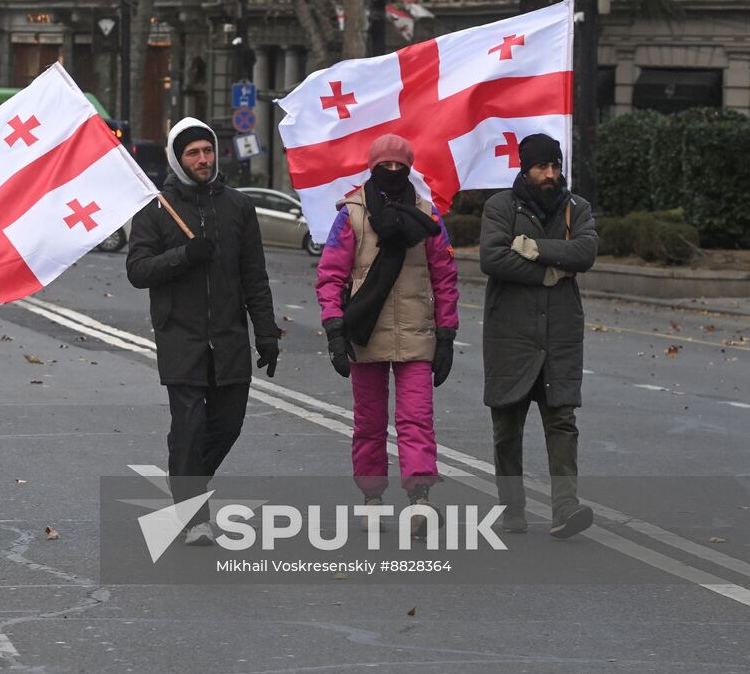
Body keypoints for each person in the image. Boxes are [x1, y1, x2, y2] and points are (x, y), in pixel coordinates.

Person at [126, 117, 280, 547]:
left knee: (227, 424)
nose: (203, 159)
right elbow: (137, 270)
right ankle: (194, 511)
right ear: (178, 158)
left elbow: (255, 276)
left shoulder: (238, 207)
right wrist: (185, 255)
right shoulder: (156, 208)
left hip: (229, 337)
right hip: (181, 336)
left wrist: (265, 333)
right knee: (190, 425)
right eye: (193, 153)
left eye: (208, 151)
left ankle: (185, 482)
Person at [315, 134, 459, 535]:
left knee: (417, 420)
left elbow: (445, 277)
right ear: (373, 166)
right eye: (386, 165)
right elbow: (330, 276)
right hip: (365, 332)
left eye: (401, 166)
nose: (393, 172)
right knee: (369, 422)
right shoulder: (352, 214)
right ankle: (372, 498)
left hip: (416, 335)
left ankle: (419, 500)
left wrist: (446, 333)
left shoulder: (428, 216)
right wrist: (333, 327)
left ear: (409, 168)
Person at [480, 132, 598, 539]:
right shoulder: (499, 206)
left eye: (555, 166)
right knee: (507, 425)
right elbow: (493, 257)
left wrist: (533, 249)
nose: (550, 174)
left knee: (562, 420)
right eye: (542, 167)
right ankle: (511, 509)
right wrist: (552, 271)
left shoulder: (576, 207)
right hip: (509, 333)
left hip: (561, 333)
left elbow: (585, 252)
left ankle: (565, 508)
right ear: (525, 168)